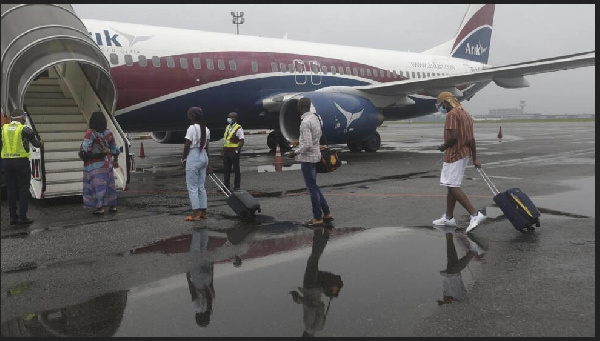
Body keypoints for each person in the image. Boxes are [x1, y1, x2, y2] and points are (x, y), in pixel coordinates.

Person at [433, 91, 486, 233]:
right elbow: (471, 139)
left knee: (452, 186)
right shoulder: (466, 114)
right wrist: (474, 158)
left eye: (441, 104)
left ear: (446, 102)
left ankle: (474, 214)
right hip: (464, 154)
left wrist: (443, 147)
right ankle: (449, 218)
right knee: (452, 185)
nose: (441, 107)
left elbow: (454, 137)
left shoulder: (452, 114)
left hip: (454, 155)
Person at [286, 98, 333, 228]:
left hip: (307, 159)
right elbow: (314, 138)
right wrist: (298, 142)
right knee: (314, 186)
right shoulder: (316, 118)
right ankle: (327, 213)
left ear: (300, 107)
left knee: (312, 188)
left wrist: (294, 152)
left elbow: (307, 144)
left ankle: (317, 218)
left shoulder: (305, 122)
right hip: (316, 156)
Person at [289, 225, 338, 337]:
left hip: (317, 289)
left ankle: (323, 233)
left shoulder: (320, 327)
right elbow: (311, 308)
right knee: (313, 258)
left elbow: (321, 306)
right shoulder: (308, 325)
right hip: (310, 286)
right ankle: (322, 232)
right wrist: (299, 298)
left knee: (315, 258)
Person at [1, 109, 43, 225]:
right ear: (21, 118)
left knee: (11, 189)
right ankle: (22, 217)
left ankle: (13, 217)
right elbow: (36, 144)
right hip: (21, 162)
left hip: (7, 163)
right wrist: (41, 142)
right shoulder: (25, 130)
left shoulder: (3, 129)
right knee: (23, 189)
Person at [81, 111, 120, 215]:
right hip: (107, 163)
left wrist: (82, 153)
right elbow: (115, 148)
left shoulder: (90, 133)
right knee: (110, 185)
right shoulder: (108, 133)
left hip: (95, 164)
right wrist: (115, 160)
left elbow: (85, 147)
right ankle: (113, 206)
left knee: (98, 186)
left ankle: (100, 208)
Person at [434, 226, 485, 305]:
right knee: (451, 273)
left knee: (451, 268)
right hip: (458, 306)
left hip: (452, 304)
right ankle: (472, 252)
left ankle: (449, 237)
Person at [182, 107, 212, 221]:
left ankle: (195, 214)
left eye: (189, 114)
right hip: (203, 155)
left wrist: (184, 158)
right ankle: (203, 211)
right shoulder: (206, 129)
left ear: (193, 116)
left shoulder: (191, 128)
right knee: (201, 186)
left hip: (194, 155)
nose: (188, 116)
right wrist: (208, 163)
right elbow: (207, 146)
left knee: (192, 187)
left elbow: (187, 145)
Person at [186, 227, 215, 328]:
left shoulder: (210, 305)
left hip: (207, 278)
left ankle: (204, 230)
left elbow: (212, 285)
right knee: (195, 252)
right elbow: (193, 294)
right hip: (198, 281)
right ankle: (196, 231)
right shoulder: (198, 308)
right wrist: (188, 279)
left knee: (203, 250)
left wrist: (212, 267)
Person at [220, 112, 244, 191]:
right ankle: (226, 186)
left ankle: (237, 186)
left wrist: (237, 150)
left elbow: (241, 141)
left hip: (234, 152)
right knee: (226, 170)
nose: (229, 119)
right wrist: (222, 152)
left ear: (235, 119)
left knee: (236, 169)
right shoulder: (227, 127)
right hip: (227, 151)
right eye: (229, 117)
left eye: (231, 117)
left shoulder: (238, 128)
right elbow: (226, 141)